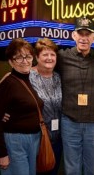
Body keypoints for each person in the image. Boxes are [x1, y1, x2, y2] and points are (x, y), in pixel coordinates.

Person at [56, 16, 94, 175]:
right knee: (72, 169)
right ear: (74, 36)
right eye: (80, 34)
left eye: (88, 34)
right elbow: (39, 69)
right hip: (69, 121)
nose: (84, 38)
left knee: (92, 169)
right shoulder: (62, 57)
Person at [0, 38, 42, 175]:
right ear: (11, 62)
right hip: (15, 141)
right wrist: (2, 154)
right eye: (19, 57)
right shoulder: (8, 83)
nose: (25, 61)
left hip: (34, 140)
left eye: (28, 56)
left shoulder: (32, 80)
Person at [30, 38, 62, 175]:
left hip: (57, 139)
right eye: (45, 54)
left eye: (52, 55)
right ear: (37, 57)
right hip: (36, 139)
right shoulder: (28, 76)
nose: (49, 58)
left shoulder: (58, 77)